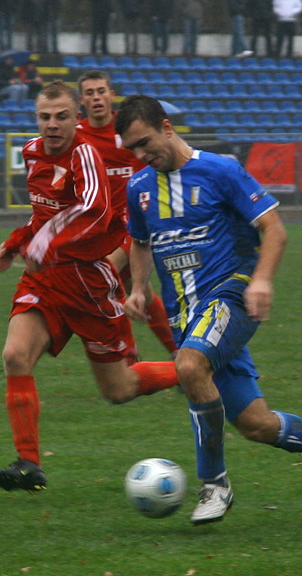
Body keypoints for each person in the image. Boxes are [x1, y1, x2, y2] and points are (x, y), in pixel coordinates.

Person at [115, 95, 302, 525]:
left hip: (231, 295)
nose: (142, 155)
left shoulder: (220, 170)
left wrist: (260, 280)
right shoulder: (139, 189)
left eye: (145, 142)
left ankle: (214, 485)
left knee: (189, 365)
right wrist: (139, 289)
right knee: (257, 426)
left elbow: (273, 228)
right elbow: (140, 242)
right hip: (188, 317)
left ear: (166, 127)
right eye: (133, 150)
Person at [0, 81, 179, 493]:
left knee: (119, 389)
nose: (52, 125)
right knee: (15, 355)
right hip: (44, 280)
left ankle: (193, 369)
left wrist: (44, 242)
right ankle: (28, 464)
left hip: (89, 283)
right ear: (35, 118)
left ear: (76, 117)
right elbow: (44, 213)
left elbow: (93, 209)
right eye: (44, 117)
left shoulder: (85, 154)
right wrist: (18, 241)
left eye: (61, 116)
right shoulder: (31, 152)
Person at [76, 70, 177, 361]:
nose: (96, 97)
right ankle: (176, 351)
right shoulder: (79, 136)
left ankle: (129, 353)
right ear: (82, 99)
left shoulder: (128, 129)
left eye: (101, 91)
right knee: (138, 291)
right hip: (99, 231)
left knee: (102, 279)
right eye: (90, 93)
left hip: (132, 225)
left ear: (111, 94)